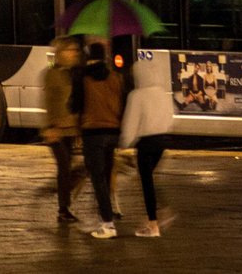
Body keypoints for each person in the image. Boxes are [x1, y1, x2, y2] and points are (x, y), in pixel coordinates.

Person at [73, 42, 125, 239]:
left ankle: (107, 224)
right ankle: (102, 218)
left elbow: (75, 105)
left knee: (98, 179)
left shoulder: (83, 78)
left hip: (92, 133)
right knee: (105, 176)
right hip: (113, 132)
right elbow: (122, 102)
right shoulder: (115, 77)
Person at [120, 61, 175, 238]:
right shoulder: (163, 94)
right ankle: (160, 213)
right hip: (162, 140)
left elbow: (131, 123)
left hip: (146, 143)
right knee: (150, 179)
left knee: (146, 182)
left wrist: (125, 143)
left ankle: (153, 224)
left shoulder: (137, 95)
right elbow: (170, 118)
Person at [42, 38, 83, 224]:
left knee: (68, 168)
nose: (74, 54)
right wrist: (51, 127)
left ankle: (64, 204)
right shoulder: (52, 74)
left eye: (76, 50)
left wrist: (78, 130)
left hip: (69, 130)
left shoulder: (71, 74)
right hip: (56, 130)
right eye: (70, 50)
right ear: (61, 53)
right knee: (64, 167)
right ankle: (63, 209)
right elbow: (49, 102)